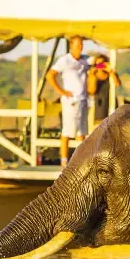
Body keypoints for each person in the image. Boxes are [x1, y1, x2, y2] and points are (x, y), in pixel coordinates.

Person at [46, 36, 90, 166]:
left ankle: (82, 160)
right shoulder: (65, 60)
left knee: (82, 132)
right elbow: (50, 75)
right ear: (71, 46)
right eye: (77, 46)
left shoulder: (84, 61)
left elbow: (99, 63)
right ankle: (64, 162)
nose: (80, 48)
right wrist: (62, 91)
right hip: (71, 101)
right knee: (67, 131)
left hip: (82, 100)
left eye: (81, 45)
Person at [87, 53, 121, 127]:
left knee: (112, 124)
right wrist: (93, 75)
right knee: (100, 125)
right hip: (98, 103)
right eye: (98, 64)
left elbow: (118, 84)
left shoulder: (110, 74)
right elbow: (91, 91)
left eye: (102, 63)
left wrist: (111, 71)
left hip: (110, 101)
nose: (100, 66)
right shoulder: (93, 75)